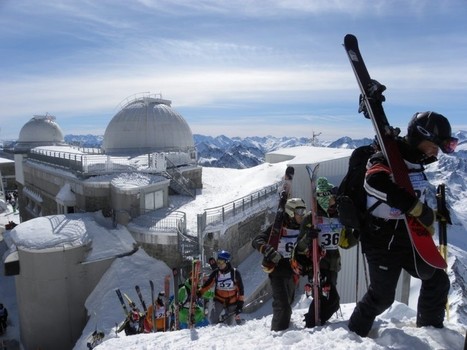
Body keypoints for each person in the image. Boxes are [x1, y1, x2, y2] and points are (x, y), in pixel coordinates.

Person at [348, 111, 457, 337]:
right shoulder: (385, 157)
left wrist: (431, 214)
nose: (437, 150)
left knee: (437, 280)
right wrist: (417, 209)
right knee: (382, 297)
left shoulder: (416, 162)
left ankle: (430, 332)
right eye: (435, 144)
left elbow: (413, 191)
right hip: (380, 239)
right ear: (420, 137)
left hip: (408, 236)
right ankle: (353, 335)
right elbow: (374, 182)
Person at [291, 177, 347, 327]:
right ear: (324, 198)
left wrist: (356, 231)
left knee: (324, 298)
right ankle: (313, 323)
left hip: (333, 263)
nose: (334, 201)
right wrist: (309, 237)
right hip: (317, 263)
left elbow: (344, 242)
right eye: (331, 198)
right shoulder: (312, 218)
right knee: (332, 301)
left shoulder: (337, 216)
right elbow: (300, 247)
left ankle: (315, 324)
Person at [252, 198, 306, 331]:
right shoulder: (278, 227)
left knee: (289, 302)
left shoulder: (302, 227)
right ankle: (277, 333)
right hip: (277, 271)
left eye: (303, 210)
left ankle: (285, 329)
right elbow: (257, 240)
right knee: (282, 306)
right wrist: (267, 250)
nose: (302, 214)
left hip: (292, 271)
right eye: (299, 211)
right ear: (291, 212)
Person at [197, 250, 245, 326]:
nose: (219, 264)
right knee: (213, 319)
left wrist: (240, 305)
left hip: (232, 301)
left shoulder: (235, 273)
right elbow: (207, 285)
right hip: (219, 300)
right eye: (218, 261)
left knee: (229, 324)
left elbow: (241, 290)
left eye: (221, 262)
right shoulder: (216, 273)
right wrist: (199, 292)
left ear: (227, 262)